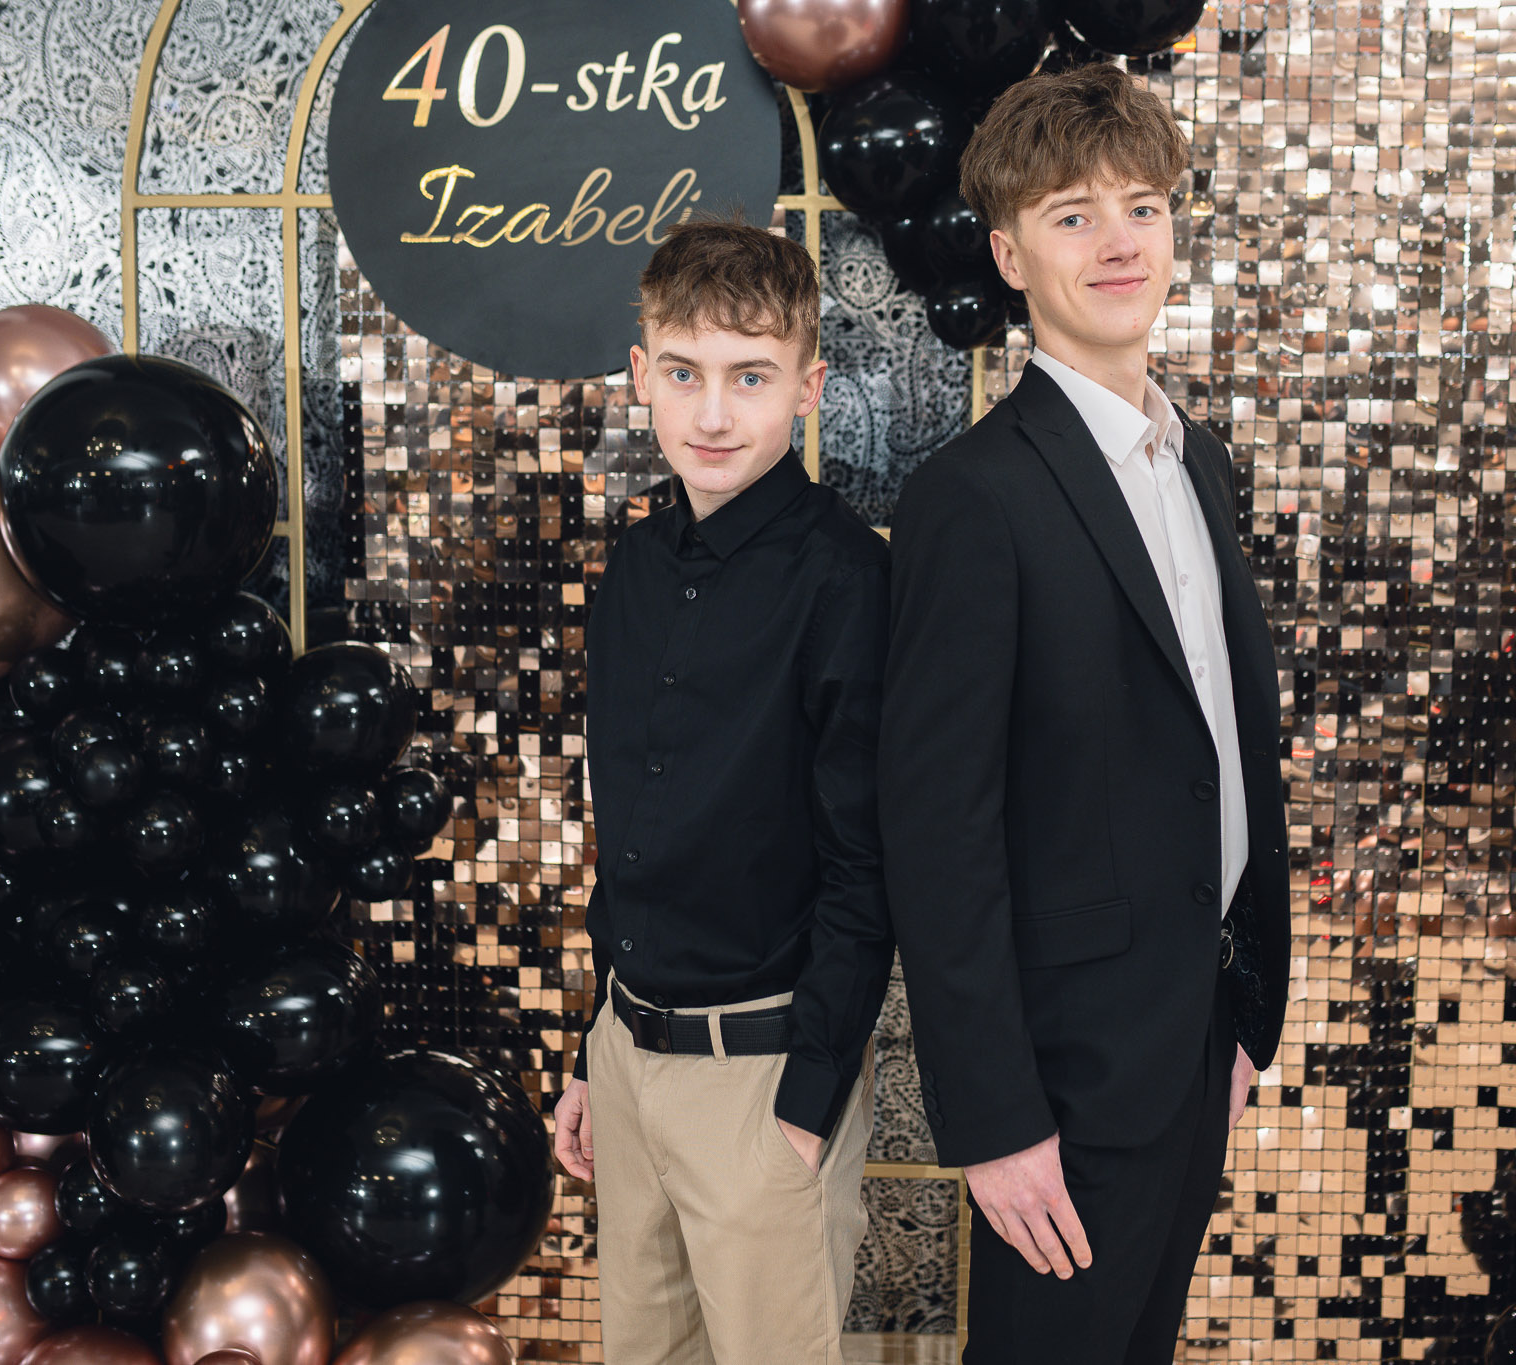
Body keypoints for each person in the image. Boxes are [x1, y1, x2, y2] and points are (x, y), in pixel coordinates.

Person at [878, 63, 1291, 1364]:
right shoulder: (973, 498)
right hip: (1064, 1079)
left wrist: (1243, 1013)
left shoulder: (1198, 462)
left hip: (1196, 1035)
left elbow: (1213, 744)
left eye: (1141, 207)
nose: (1118, 242)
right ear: (1009, 256)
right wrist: (995, 1118)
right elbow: (937, 833)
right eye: (1072, 215)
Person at [552, 218, 894, 1365]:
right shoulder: (632, 570)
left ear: (807, 387)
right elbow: (632, 836)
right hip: (627, 1056)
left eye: (749, 377)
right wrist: (598, 1050)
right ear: (640, 374)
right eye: (684, 373)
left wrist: (805, 1107)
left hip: (760, 1075)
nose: (711, 413)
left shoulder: (848, 581)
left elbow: (866, 867)